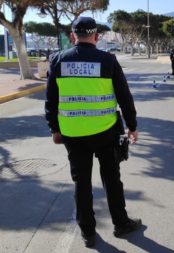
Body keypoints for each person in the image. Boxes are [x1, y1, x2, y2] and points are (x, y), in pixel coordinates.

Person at [45, 16, 142, 248]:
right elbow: (124, 96)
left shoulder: (58, 60)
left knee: (82, 182)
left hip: (73, 134)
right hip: (105, 132)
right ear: (96, 36)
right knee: (111, 178)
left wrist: (55, 129)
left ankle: (88, 233)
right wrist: (132, 126)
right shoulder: (107, 60)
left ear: (73, 36)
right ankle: (121, 224)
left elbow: (51, 101)